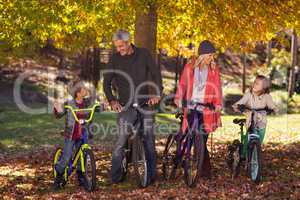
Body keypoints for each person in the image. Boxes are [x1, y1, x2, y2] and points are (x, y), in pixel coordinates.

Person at [103, 29, 163, 184]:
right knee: (121, 140)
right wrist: (112, 100)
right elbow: (106, 82)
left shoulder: (144, 54)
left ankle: (150, 176)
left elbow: (156, 74)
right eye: (116, 46)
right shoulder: (115, 59)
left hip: (145, 103)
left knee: (149, 140)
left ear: (128, 43)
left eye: (121, 46)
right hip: (125, 106)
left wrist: (157, 93)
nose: (119, 50)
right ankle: (115, 177)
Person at [174, 40, 223, 179]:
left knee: (201, 139)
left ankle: (201, 168)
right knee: (192, 135)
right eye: (209, 55)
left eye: (212, 56)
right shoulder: (190, 67)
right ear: (201, 55)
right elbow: (182, 84)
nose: (211, 58)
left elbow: (218, 88)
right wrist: (178, 98)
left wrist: (218, 104)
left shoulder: (214, 70)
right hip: (190, 106)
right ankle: (198, 168)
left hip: (206, 108)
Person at [53, 82, 92, 189]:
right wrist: (57, 108)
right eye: (83, 89)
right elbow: (59, 114)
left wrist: (103, 105)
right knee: (67, 156)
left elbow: (96, 106)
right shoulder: (69, 103)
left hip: (83, 132)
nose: (86, 90)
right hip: (71, 133)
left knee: (82, 156)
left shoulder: (87, 102)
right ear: (78, 93)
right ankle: (58, 177)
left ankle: (81, 178)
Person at [233, 75, 278, 143]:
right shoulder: (249, 95)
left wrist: (275, 109)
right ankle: (247, 149)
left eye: (257, 83)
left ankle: (253, 149)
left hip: (262, 121)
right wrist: (237, 106)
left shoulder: (266, 97)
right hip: (251, 121)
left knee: (258, 144)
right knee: (250, 140)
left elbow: (272, 106)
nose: (254, 84)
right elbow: (239, 103)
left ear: (264, 87)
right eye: (254, 82)